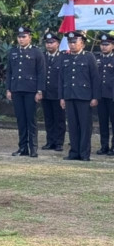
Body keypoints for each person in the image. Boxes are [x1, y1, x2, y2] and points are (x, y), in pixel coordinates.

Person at [59, 31, 100, 162]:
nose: (72, 45)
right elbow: (61, 79)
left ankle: (84, 153)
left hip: (84, 97)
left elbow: (95, 78)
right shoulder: (65, 57)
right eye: (70, 42)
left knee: (85, 126)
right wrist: (61, 97)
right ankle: (74, 152)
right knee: (72, 126)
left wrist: (95, 97)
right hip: (69, 95)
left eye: (74, 42)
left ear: (82, 43)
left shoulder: (89, 57)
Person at [6, 26, 45, 157]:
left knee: (31, 120)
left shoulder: (36, 52)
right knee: (21, 120)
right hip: (17, 89)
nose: (21, 39)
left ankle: (33, 148)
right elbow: (9, 72)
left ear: (30, 37)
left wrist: (39, 91)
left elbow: (41, 73)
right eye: (19, 37)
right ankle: (22, 147)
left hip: (30, 90)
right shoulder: (13, 52)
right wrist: (8, 89)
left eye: (24, 37)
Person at [42, 32, 65, 151]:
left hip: (58, 93)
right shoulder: (42, 57)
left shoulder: (63, 57)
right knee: (48, 118)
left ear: (58, 44)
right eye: (47, 43)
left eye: (52, 42)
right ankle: (50, 141)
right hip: (45, 93)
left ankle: (59, 142)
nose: (49, 45)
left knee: (59, 119)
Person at [94, 33, 114, 155]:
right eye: (102, 44)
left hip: (112, 96)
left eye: (107, 44)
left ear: (112, 46)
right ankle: (104, 146)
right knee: (103, 122)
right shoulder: (96, 58)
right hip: (100, 96)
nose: (104, 47)